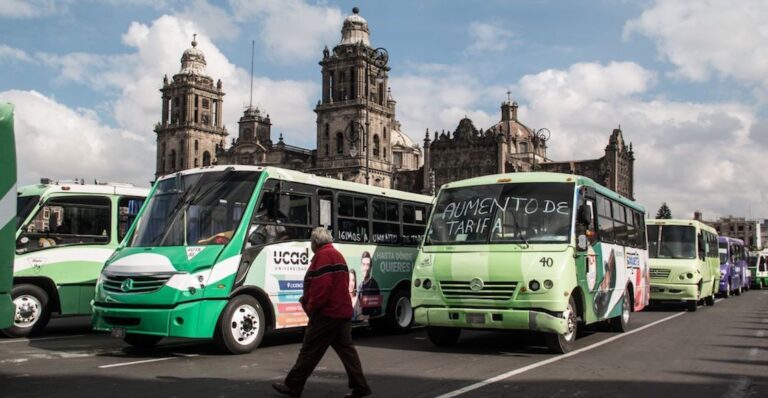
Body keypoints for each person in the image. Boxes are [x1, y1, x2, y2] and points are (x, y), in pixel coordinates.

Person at [273, 227, 372, 398]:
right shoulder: (337, 255)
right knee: (347, 352)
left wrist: (311, 308)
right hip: (341, 313)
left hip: (326, 315)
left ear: (315, 243)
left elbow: (321, 288)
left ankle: (293, 386)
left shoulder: (323, 256)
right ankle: (360, 386)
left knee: (309, 350)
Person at [358, 251, 381, 317]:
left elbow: (378, 310)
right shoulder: (360, 286)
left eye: (368, 265)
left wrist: (367, 316)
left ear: (371, 267)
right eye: (363, 264)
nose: (365, 268)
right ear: (361, 266)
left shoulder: (374, 285)